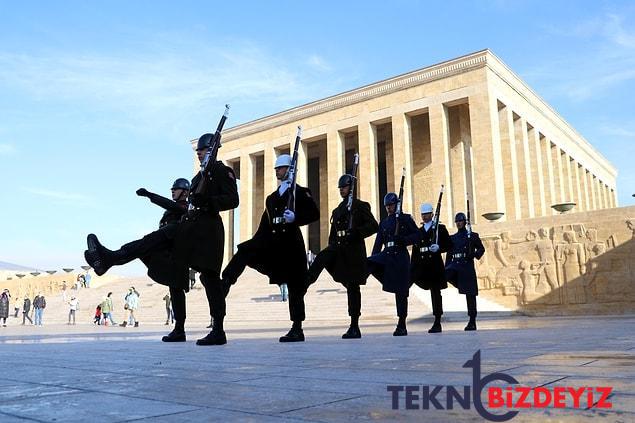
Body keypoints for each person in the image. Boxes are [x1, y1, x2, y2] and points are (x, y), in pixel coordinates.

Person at [85, 133, 239, 345]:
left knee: (210, 279)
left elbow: (233, 200)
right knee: (154, 244)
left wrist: (208, 201)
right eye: (198, 151)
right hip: (190, 229)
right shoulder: (198, 178)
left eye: (201, 150)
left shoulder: (222, 171)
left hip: (209, 232)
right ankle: (111, 258)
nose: (198, 153)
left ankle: (218, 330)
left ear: (212, 149)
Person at [222, 153, 320, 342]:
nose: (277, 171)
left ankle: (297, 328)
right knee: (245, 249)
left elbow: (314, 213)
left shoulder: (300, 192)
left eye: (280, 168)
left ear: (290, 170)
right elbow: (264, 225)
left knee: (295, 287)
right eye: (276, 168)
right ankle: (226, 281)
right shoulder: (272, 198)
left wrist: (296, 218)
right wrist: (255, 244)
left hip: (291, 245)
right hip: (273, 243)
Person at [305, 173, 378, 339]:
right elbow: (332, 235)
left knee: (353, 288)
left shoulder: (360, 206)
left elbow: (373, 226)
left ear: (351, 188)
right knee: (322, 256)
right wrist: (333, 246)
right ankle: (307, 279)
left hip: (353, 253)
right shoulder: (337, 210)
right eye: (340, 188)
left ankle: (354, 326)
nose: (341, 190)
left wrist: (357, 232)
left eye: (344, 187)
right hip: (339, 249)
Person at [367, 192, 419, 336]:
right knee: (369, 262)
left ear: (397, 204)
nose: (389, 208)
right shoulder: (384, 223)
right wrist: (374, 257)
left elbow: (417, 236)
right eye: (387, 206)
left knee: (401, 292)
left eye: (391, 205)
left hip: (400, 256)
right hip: (387, 254)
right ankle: (386, 280)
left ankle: (402, 323)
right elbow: (378, 244)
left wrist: (404, 239)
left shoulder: (405, 219)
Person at [410, 203, 452, 333]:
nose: (425, 216)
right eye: (423, 214)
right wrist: (412, 267)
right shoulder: (419, 231)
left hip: (434, 265)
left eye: (427, 214)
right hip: (422, 266)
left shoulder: (440, 229)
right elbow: (416, 250)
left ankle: (437, 320)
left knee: (435, 293)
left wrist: (439, 248)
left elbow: (449, 245)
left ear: (432, 214)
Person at [445, 212, 486, 331]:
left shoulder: (472, 235)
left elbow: (481, 249)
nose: (458, 223)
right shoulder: (453, 238)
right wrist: (447, 266)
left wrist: (473, 254)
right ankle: (460, 285)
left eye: (460, 221)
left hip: (466, 265)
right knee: (445, 275)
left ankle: (472, 321)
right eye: (456, 221)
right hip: (455, 265)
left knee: (470, 295)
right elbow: (449, 253)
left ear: (465, 222)